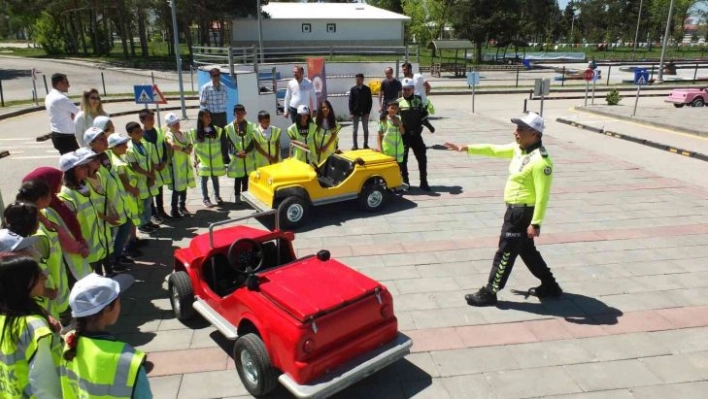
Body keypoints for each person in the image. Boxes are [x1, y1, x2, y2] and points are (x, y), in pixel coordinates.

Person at [443, 112, 561, 306]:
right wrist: (466, 148)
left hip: (522, 214)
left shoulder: (541, 161)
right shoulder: (519, 149)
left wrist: (536, 223)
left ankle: (490, 291)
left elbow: (543, 195)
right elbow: (494, 149)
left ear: (534, 134)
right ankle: (550, 286)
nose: (515, 132)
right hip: (515, 211)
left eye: (520, 129)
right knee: (526, 251)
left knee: (505, 251)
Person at [60, 273, 153, 398]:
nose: (120, 306)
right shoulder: (129, 360)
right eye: (119, 301)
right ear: (106, 310)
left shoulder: (69, 342)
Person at [0, 253, 63, 399]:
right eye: (39, 275)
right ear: (23, 283)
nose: (45, 278)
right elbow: (45, 385)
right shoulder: (33, 327)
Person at [21, 167, 91, 290]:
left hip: (64, 263)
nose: (60, 186)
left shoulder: (53, 205)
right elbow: (63, 236)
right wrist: (80, 247)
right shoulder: (46, 213)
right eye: (58, 183)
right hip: (64, 264)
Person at [15, 181, 72, 321]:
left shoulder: (43, 215)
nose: (52, 197)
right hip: (50, 293)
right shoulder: (37, 237)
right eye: (49, 195)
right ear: (40, 199)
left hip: (55, 288)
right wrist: (47, 291)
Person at [84, 127, 132, 273]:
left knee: (124, 228)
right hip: (106, 208)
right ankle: (111, 263)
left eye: (105, 138)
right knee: (108, 238)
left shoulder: (106, 155)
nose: (105, 141)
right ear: (91, 143)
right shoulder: (90, 162)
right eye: (101, 139)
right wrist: (107, 212)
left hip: (119, 203)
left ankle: (118, 256)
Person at [58, 150, 107, 280]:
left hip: (96, 245)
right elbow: (69, 227)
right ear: (70, 171)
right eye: (81, 167)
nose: (86, 169)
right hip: (85, 249)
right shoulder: (67, 194)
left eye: (85, 165)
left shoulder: (85, 185)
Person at [107, 134, 145, 259]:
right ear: (115, 147)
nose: (126, 146)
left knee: (130, 223)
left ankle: (130, 244)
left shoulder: (117, 158)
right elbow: (124, 182)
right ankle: (127, 248)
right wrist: (134, 189)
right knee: (127, 225)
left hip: (127, 197)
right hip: (126, 198)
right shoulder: (118, 163)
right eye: (123, 144)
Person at [125, 122, 159, 234]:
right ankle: (142, 225)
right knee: (141, 205)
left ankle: (148, 221)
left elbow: (151, 160)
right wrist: (150, 175)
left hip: (148, 180)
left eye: (140, 131)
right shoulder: (129, 149)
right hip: (139, 182)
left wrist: (152, 176)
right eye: (136, 132)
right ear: (130, 134)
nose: (140, 134)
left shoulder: (144, 144)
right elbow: (135, 167)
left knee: (148, 203)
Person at [398, 78, 431, 191]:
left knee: (422, 158)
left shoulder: (419, 100)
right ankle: (406, 182)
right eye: (404, 89)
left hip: (416, 135)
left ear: (413, 89)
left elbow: (424, 115)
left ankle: (424, 182)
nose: (406, 91)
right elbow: (391, 115)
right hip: (404, 136)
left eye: (408, 89)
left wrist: (427, 125)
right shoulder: (398, 102)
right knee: (403, 160)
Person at [192, 109, 229, 208]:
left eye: (209, 116)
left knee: (215, 179)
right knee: (204, 180)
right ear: (201, 118)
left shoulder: (216, 130)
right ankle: (206, 198)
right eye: (206, 116)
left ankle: (217, 196)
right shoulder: (197, 131)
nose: (209, 118)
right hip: (203, 161)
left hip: (215, 161)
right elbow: (196, 147)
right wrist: (195, 159)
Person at [139, 110, 171, 222]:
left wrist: (164, 161)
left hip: (161, 167)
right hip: (150, 169)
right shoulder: (141, 136)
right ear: (142, 121)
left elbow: (163, 147)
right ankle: (153, 214)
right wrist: (153, 166)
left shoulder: (158, 131)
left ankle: (161, 211)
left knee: (160, 191)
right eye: (149, 119)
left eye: (153, 119)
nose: (152, 121)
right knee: (152, 191)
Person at [163, 114, 195, 217]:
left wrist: (189, 147)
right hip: (175, 167)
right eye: (174, 124)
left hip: (184, 166)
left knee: (184, 187)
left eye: (177, 123)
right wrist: (184, 149)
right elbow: (172, 144)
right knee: (177, 189)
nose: (177, 125)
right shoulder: (169, 134)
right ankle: (174, 209)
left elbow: (190, 143)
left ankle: (182, 206)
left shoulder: (184, 133)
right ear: (169, 126)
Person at [224, 105, 255, 204]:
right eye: (237, 113)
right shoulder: (229, 128)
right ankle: (237, 196)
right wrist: (237, 153)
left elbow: (254, 140)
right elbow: (228, 143)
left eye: (241, 113)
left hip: (247, 157)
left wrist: (246, 151)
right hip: (237, 158)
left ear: (245, 113)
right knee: (238, 178)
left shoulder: (251, 126)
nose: (240, 115)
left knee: (246, 178)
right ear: (234, 114)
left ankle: (245, 195)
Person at [46, 73, 80, 155]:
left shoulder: (49, 96)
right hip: (66, 138)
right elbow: (79, 113)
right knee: (77, 164)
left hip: (58, 136)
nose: (69, 85)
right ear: (60, 83)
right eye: (67, 82)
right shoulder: (61, 98)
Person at [401, 63, 435, 133]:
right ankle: (425, 122)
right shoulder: (405, 80)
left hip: (421, 102)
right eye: (403, 70)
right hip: (411, 103)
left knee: (415, 120)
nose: (403, 71)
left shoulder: (418, 76)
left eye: (405, 69)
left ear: (410, 69)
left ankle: (423, 124)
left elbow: (428, 87)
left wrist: (424, 97)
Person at [309, 100, 341, 165]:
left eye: (327, 107)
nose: (325, 109)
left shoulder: (333, 122)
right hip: (317, 150)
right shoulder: (315, 121)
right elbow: (311, 135)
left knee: (327, 167)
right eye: (323, 107)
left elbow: (334, 135)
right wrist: (315, 147)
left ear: (330, 109)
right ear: (320, 109)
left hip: (328, 150)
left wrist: (326, 147)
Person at [377, 102, 405, 172]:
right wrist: (380, 150)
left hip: (399, 152)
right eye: (392, 108)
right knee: (388, 173)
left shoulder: (399, 118)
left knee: (398, 173)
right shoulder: (383, 120)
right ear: (387, 108)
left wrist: (400, 125)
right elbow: (379, 136)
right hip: (388, 151)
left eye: (396, 109)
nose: (394, 110)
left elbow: (402, 132)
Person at [349, 73, 373, 150]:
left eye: (359, 79)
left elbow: (370, 101)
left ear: (362, 80)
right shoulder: (353, 89)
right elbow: (350, 101)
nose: (357, 81)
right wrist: (351, 112)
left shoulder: (367, 89)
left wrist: (368, 112)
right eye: (356, 79)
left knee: (365, 129)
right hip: (355, 112)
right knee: (355, 129)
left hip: (364, 112)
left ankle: (365, 144)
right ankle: (355, 145)